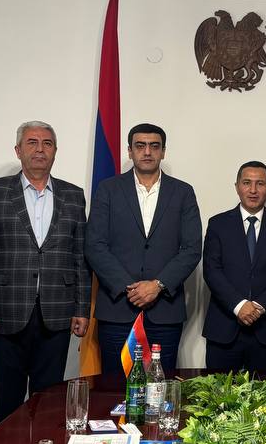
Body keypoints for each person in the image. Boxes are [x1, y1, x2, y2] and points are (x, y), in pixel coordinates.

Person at [0, 122, 88, 425]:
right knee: (8, 403)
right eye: (32, 142)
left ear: (55, 151)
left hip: (57, 316)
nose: (40, 149)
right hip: (4, 315)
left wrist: (82, 308)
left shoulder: (73, 196)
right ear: (18, 150)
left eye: (47, 143)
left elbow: (79, 257)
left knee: (48, 403)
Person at [85, 124, 202, 374]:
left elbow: (192, 248)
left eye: (154, 146)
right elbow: (94, 245)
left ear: (163, 152)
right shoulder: (108, 189)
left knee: (160, 387)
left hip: (164, 311)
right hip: (118, 309)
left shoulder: (183, 192)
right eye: (140, 146)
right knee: (114, 389)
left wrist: (157, 285)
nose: (147, 152)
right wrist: (129, 287)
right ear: (130, 151)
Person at [201, 161, 266, 373]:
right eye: (246, 183)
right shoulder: (217, 224)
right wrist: (239, 306)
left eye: (260, 184)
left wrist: (257, 307)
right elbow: (212, 271)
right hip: (224, 328)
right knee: (218, 392)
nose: (253, 190)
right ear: (237, 187)